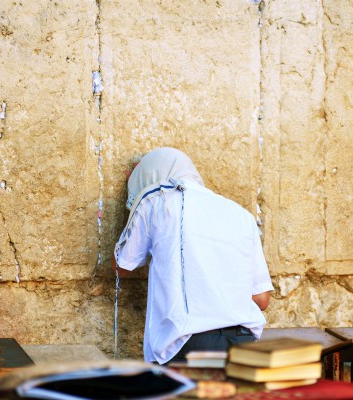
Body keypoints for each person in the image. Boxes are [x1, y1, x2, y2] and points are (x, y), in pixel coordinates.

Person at [113, 147, 274, 365]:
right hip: (243, 343)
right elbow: (262, 299)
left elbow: (122, 264)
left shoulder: (156, 200)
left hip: (190, 344)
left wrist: (134, 209)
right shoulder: (241, 215)